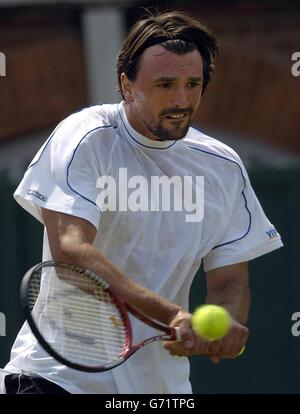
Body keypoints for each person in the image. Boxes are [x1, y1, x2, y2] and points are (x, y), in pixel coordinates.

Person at [3, 10, 283, 394]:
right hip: (57, 378)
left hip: (160, 388)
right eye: (165, 84)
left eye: (193, 84)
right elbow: (70, 254)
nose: (181, 99)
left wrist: (228, 321)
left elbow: (230, 280)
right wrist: (172, 315)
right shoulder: (86, 136)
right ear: (126, 84)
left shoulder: (224, 167)